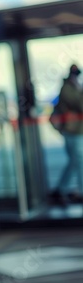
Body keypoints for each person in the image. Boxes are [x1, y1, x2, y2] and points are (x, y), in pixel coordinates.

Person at [49, 64, 83, 205]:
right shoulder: (68, 89)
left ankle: (60, 189)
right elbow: (80, 105)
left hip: (76, 130)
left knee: (75, 161)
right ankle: (77, 190)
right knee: (78, 161)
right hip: (72, 131)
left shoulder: (72, 88)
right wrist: (80, 90)